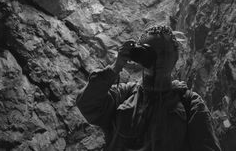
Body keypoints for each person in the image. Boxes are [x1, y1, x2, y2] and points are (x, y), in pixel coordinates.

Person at [76, 25, 222, 151]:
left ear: (176, 56)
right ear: (140, 57)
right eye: (152, 53)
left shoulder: (190, 103)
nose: (159, 58)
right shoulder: (123, 95)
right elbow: (87, 105)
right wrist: (115, 67)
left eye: (165, 53)